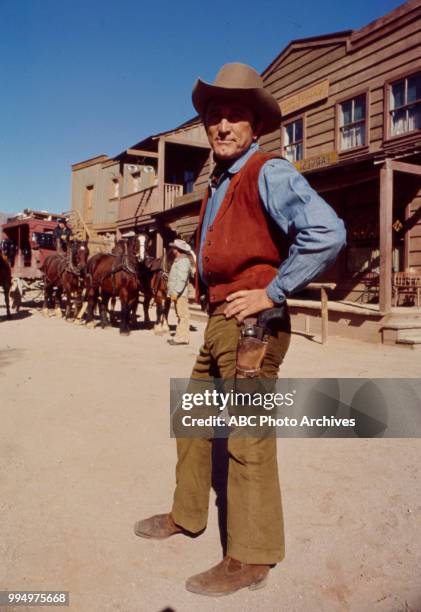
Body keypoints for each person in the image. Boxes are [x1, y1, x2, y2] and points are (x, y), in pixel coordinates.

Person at [134, 63, 346, 596]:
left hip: (254, 323)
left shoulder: (267, 171)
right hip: (219, 320)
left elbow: (327, 231)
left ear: (254, 126)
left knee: (247, 437)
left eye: (235, 116)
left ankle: (251, 557)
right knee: (192, 420)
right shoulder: (219, 182)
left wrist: (276, 291)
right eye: (215, 118)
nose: (223, 126)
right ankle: (188, 515)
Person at [166, 238, 192, 346]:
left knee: (183, 315)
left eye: (174, 248)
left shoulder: (183, 262)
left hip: (180, 294)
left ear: (177, 250)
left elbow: (181, 279)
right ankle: (179, 336)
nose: (172, 250)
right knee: (180, 314)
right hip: (177, 293)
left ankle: (183, 338)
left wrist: (176, 292)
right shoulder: (179, 260)